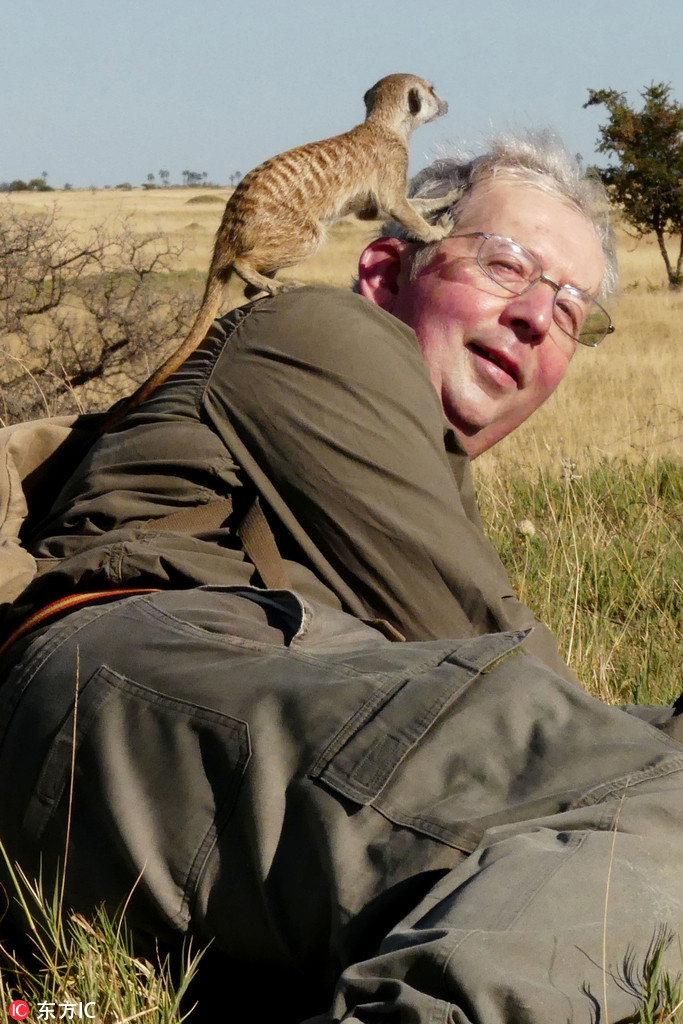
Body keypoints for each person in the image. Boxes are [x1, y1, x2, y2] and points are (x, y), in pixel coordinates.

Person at [0, 131, 681, 1023]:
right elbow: (478, 647)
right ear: (383, 267)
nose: (533, 315)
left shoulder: (433, 467)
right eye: (508, 265)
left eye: (569, 310)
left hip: (234, 721)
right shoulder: (321, 331)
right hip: (146, 665)